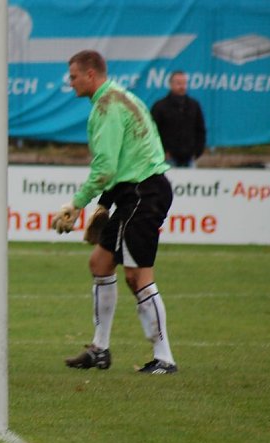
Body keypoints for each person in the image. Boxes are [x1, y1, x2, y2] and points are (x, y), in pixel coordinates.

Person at [51, 50, 177, 374]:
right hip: (133, 191)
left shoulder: (106, 106)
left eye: (74, 76)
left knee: (138, 276)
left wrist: (77, 204)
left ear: (91, 75)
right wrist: (105, 203)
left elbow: (106, 166)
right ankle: (100, 350)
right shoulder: (120, 98)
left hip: (143, 193)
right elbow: (123, 160)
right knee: (100, 262)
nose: (71, 81)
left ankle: (164, 358)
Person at [150, 71, 206, 167]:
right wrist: (162, 152)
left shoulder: (194, 105)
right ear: (171, 84)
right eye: (178, 83)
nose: (182, 86)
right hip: (168, 159)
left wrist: (197, 152)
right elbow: (152, 131)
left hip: (189, 159)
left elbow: (200, 130)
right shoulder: (160, 106)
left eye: (184, 83)